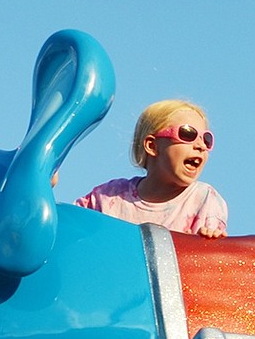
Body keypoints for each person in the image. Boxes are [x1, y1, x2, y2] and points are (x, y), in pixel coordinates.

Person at [75, 100, 227, 237]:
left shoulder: (203, 198)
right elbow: (68, 224)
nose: (201, 146)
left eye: (206, 139)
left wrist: (210, 240)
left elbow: (209, 254)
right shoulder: (109, 196)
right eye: (187, 134)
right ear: (152, 146)